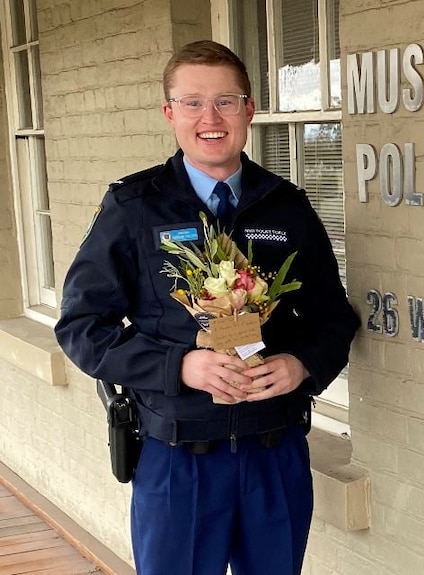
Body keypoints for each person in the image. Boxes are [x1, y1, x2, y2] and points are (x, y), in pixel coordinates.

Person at [55, 40, 359, 575]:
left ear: (250, 108)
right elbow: (83, 326)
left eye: (226, 101)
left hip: (274, 449)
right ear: (169, 112)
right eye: (192, 102)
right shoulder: (134, 206)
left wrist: (302, 365)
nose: (210, 118)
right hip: (179, 460)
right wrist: (180, 366)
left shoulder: (286, 205)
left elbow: (333, 317)